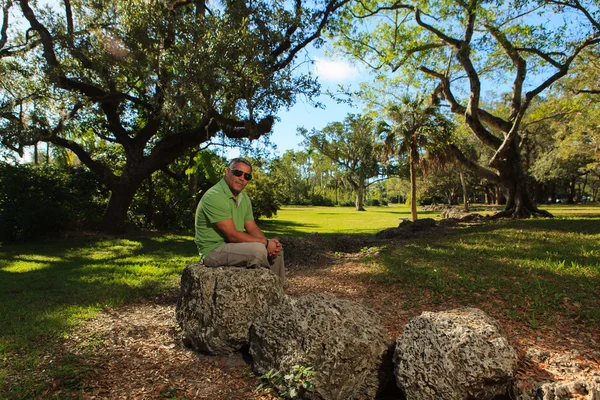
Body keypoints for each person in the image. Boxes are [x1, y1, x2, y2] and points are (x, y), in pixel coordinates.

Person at [194, 158, 285, 285]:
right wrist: (265, 243)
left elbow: (252, 228)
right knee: (259, 250)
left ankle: (278, 292)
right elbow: (232, 235)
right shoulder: (214, 196)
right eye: (238, 173)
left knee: (276, 250)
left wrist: (270, 245)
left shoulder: (243, 197)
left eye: (247, 176)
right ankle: (267, 289)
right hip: (213, 251)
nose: (242, 178)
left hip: (232, 245)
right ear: (227, 172)